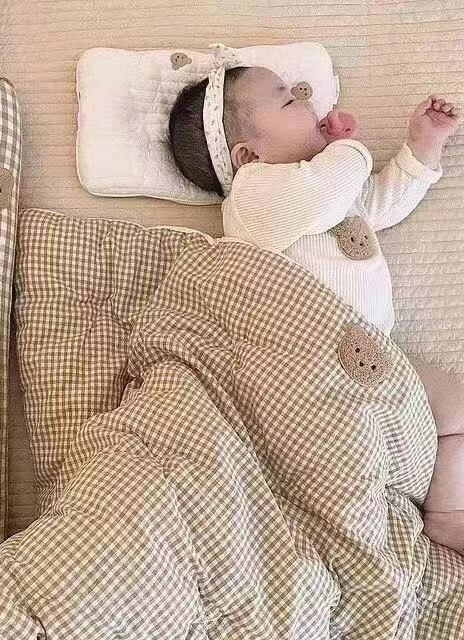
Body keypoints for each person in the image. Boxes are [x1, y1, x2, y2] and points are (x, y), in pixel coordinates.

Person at [168, 47, 464, 554]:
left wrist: (423, 146)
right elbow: (324, 195)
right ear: (247, 156)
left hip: (373, 357)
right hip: (308, 365)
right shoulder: (255, 194)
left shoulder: (327, 184)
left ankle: (447, 513)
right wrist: (346, 151)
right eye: (288, 101)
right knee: (342, 460)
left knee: (456, 406)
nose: (307, 102)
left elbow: (378, 204)